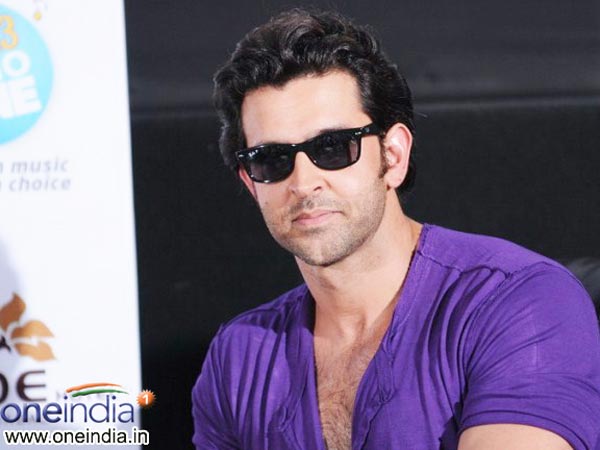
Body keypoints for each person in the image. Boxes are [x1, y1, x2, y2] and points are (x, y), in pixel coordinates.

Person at [192, 8, 600, 450]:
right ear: (251, 184)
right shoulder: (239, 356)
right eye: (271, 159)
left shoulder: (517, 301)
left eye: (333, 147)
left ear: (394, 155)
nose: (304, 182)